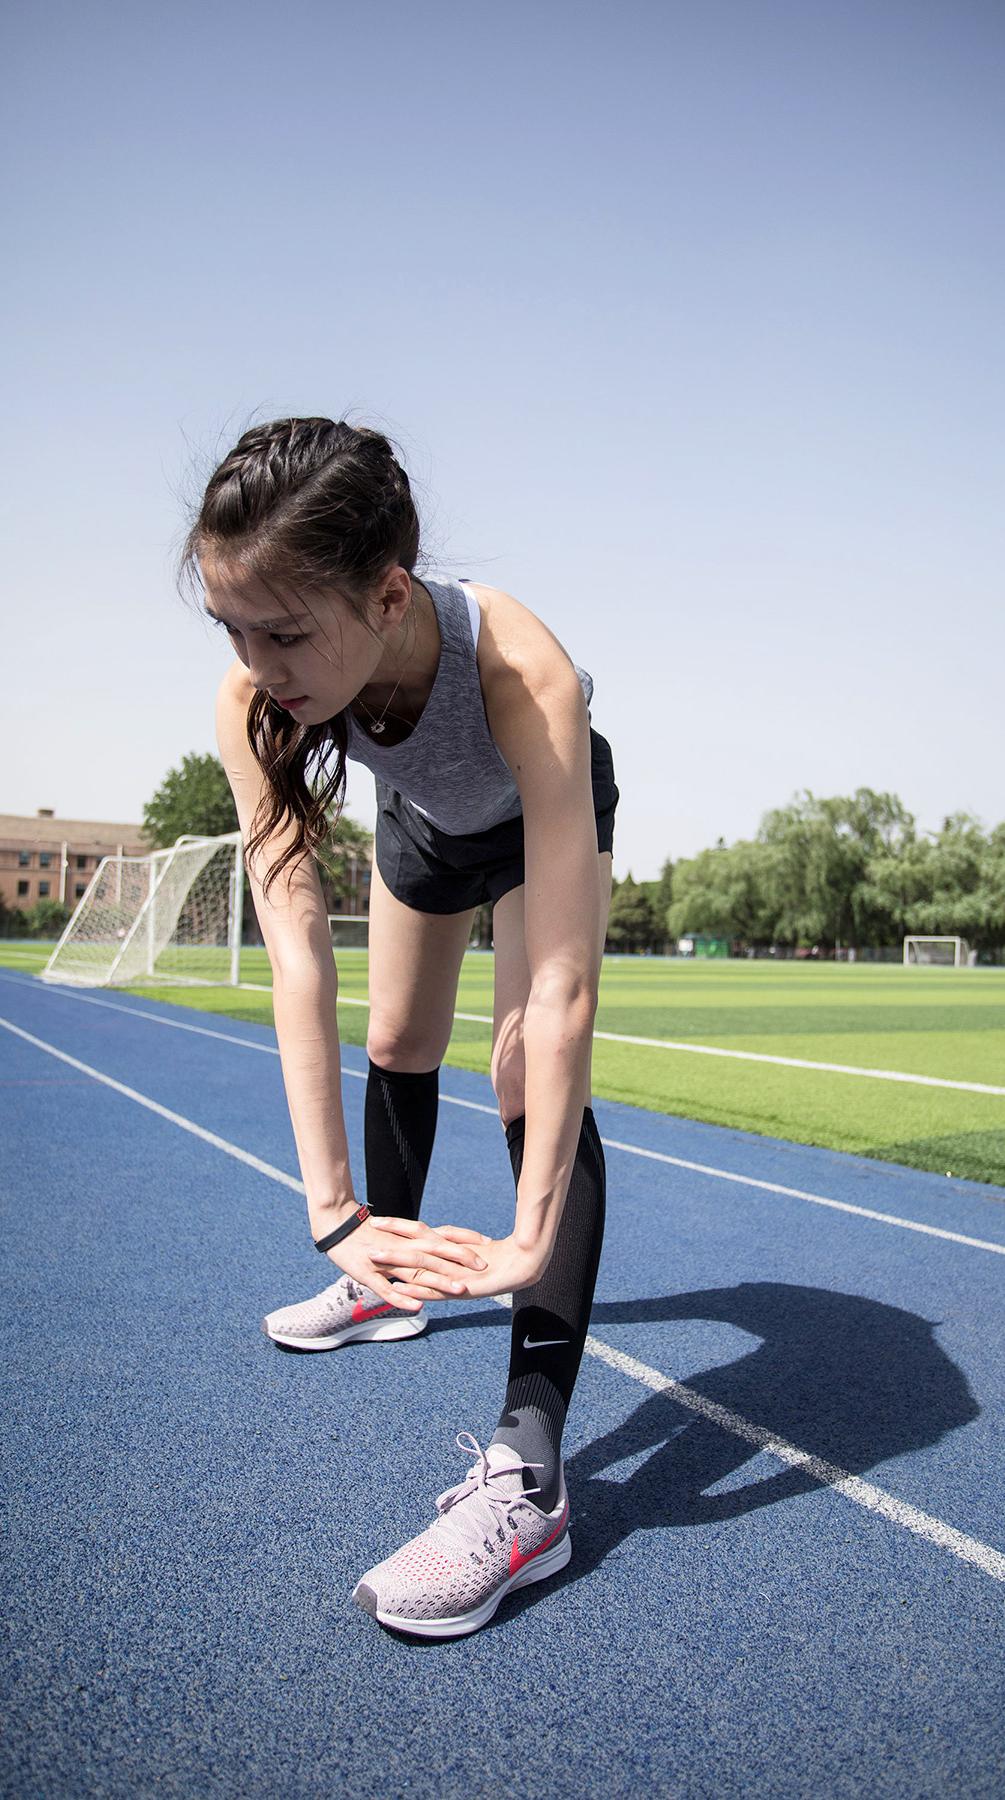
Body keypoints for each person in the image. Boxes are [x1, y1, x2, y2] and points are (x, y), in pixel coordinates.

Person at [190, 418, 617, 1638]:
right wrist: (332, 1213)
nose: (253, 661)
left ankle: (529, 1472)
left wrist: (531, 1227)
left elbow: (569, 990)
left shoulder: (526, 675)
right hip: (426, 824)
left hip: (537, 812)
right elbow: (295, 954)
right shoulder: (256, 700)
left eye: (281, 631)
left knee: (524, 1056)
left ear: (385, 595)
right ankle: (394, 1279)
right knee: (394, 1042)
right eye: (230, 626)